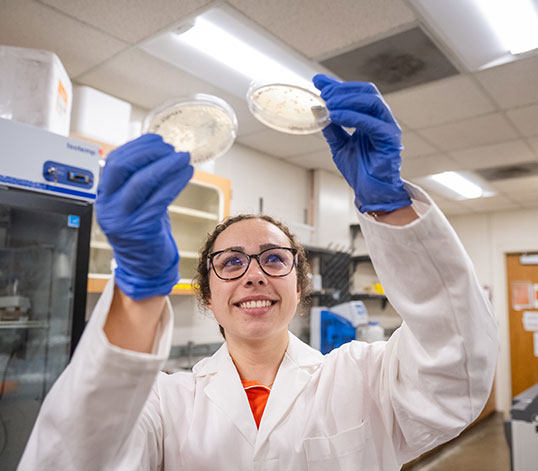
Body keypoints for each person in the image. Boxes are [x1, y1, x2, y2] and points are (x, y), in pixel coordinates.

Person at [18, 75, 498, 470]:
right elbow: (69, 458)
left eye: (273, 258)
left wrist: (391, 209)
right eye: (230, 262)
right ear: (207, 293)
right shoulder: (165, 402)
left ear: (299, 284)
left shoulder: (364, 377)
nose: (253, 276)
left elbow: (457, 374)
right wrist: (137, 291)